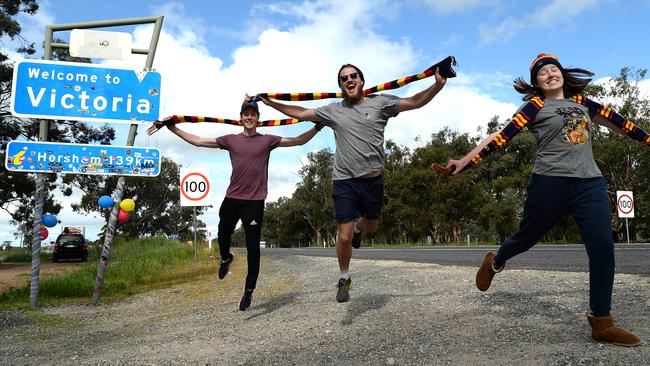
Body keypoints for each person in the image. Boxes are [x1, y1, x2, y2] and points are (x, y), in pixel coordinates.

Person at [443, 53, 647, 346]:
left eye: (554, 69)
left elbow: (623, 125)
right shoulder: (535, 107)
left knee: (603, 246)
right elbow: (501, 136)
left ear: (563, 75)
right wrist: (466, 160)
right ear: (536, 82)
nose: (550, 73)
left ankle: (602, 321)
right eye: (543, 72)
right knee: (526, 237)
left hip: (589, 182)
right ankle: (496, 260)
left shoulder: (585, 104)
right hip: (549, 183)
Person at [260, 64, 447, 303]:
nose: (349, 80)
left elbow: (414, 101)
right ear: (340, 86)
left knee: (371, 226)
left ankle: (360, 227)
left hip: (372, 181)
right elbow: (301, 113)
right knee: (344, 236)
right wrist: (271, 102)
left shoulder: (381, 103)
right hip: (344, 180)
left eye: (353, 76)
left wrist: (438, 85)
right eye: (343, 78)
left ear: (361, 81)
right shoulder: (333, 111)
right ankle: (344, 276)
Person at [166, 99, 322, 310]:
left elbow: (299, 141)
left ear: (258, 118)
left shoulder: (268, 140)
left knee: (253, 249)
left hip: (254, 202)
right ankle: (225, 257)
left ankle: (249, 291)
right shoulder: (231, 140)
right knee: (223, 233)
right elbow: (199, 141)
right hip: (232, 198)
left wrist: (318, 126)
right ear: (241, 118)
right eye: (246, 114)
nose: (249, 117)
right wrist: (173, 128)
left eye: (253, 114)